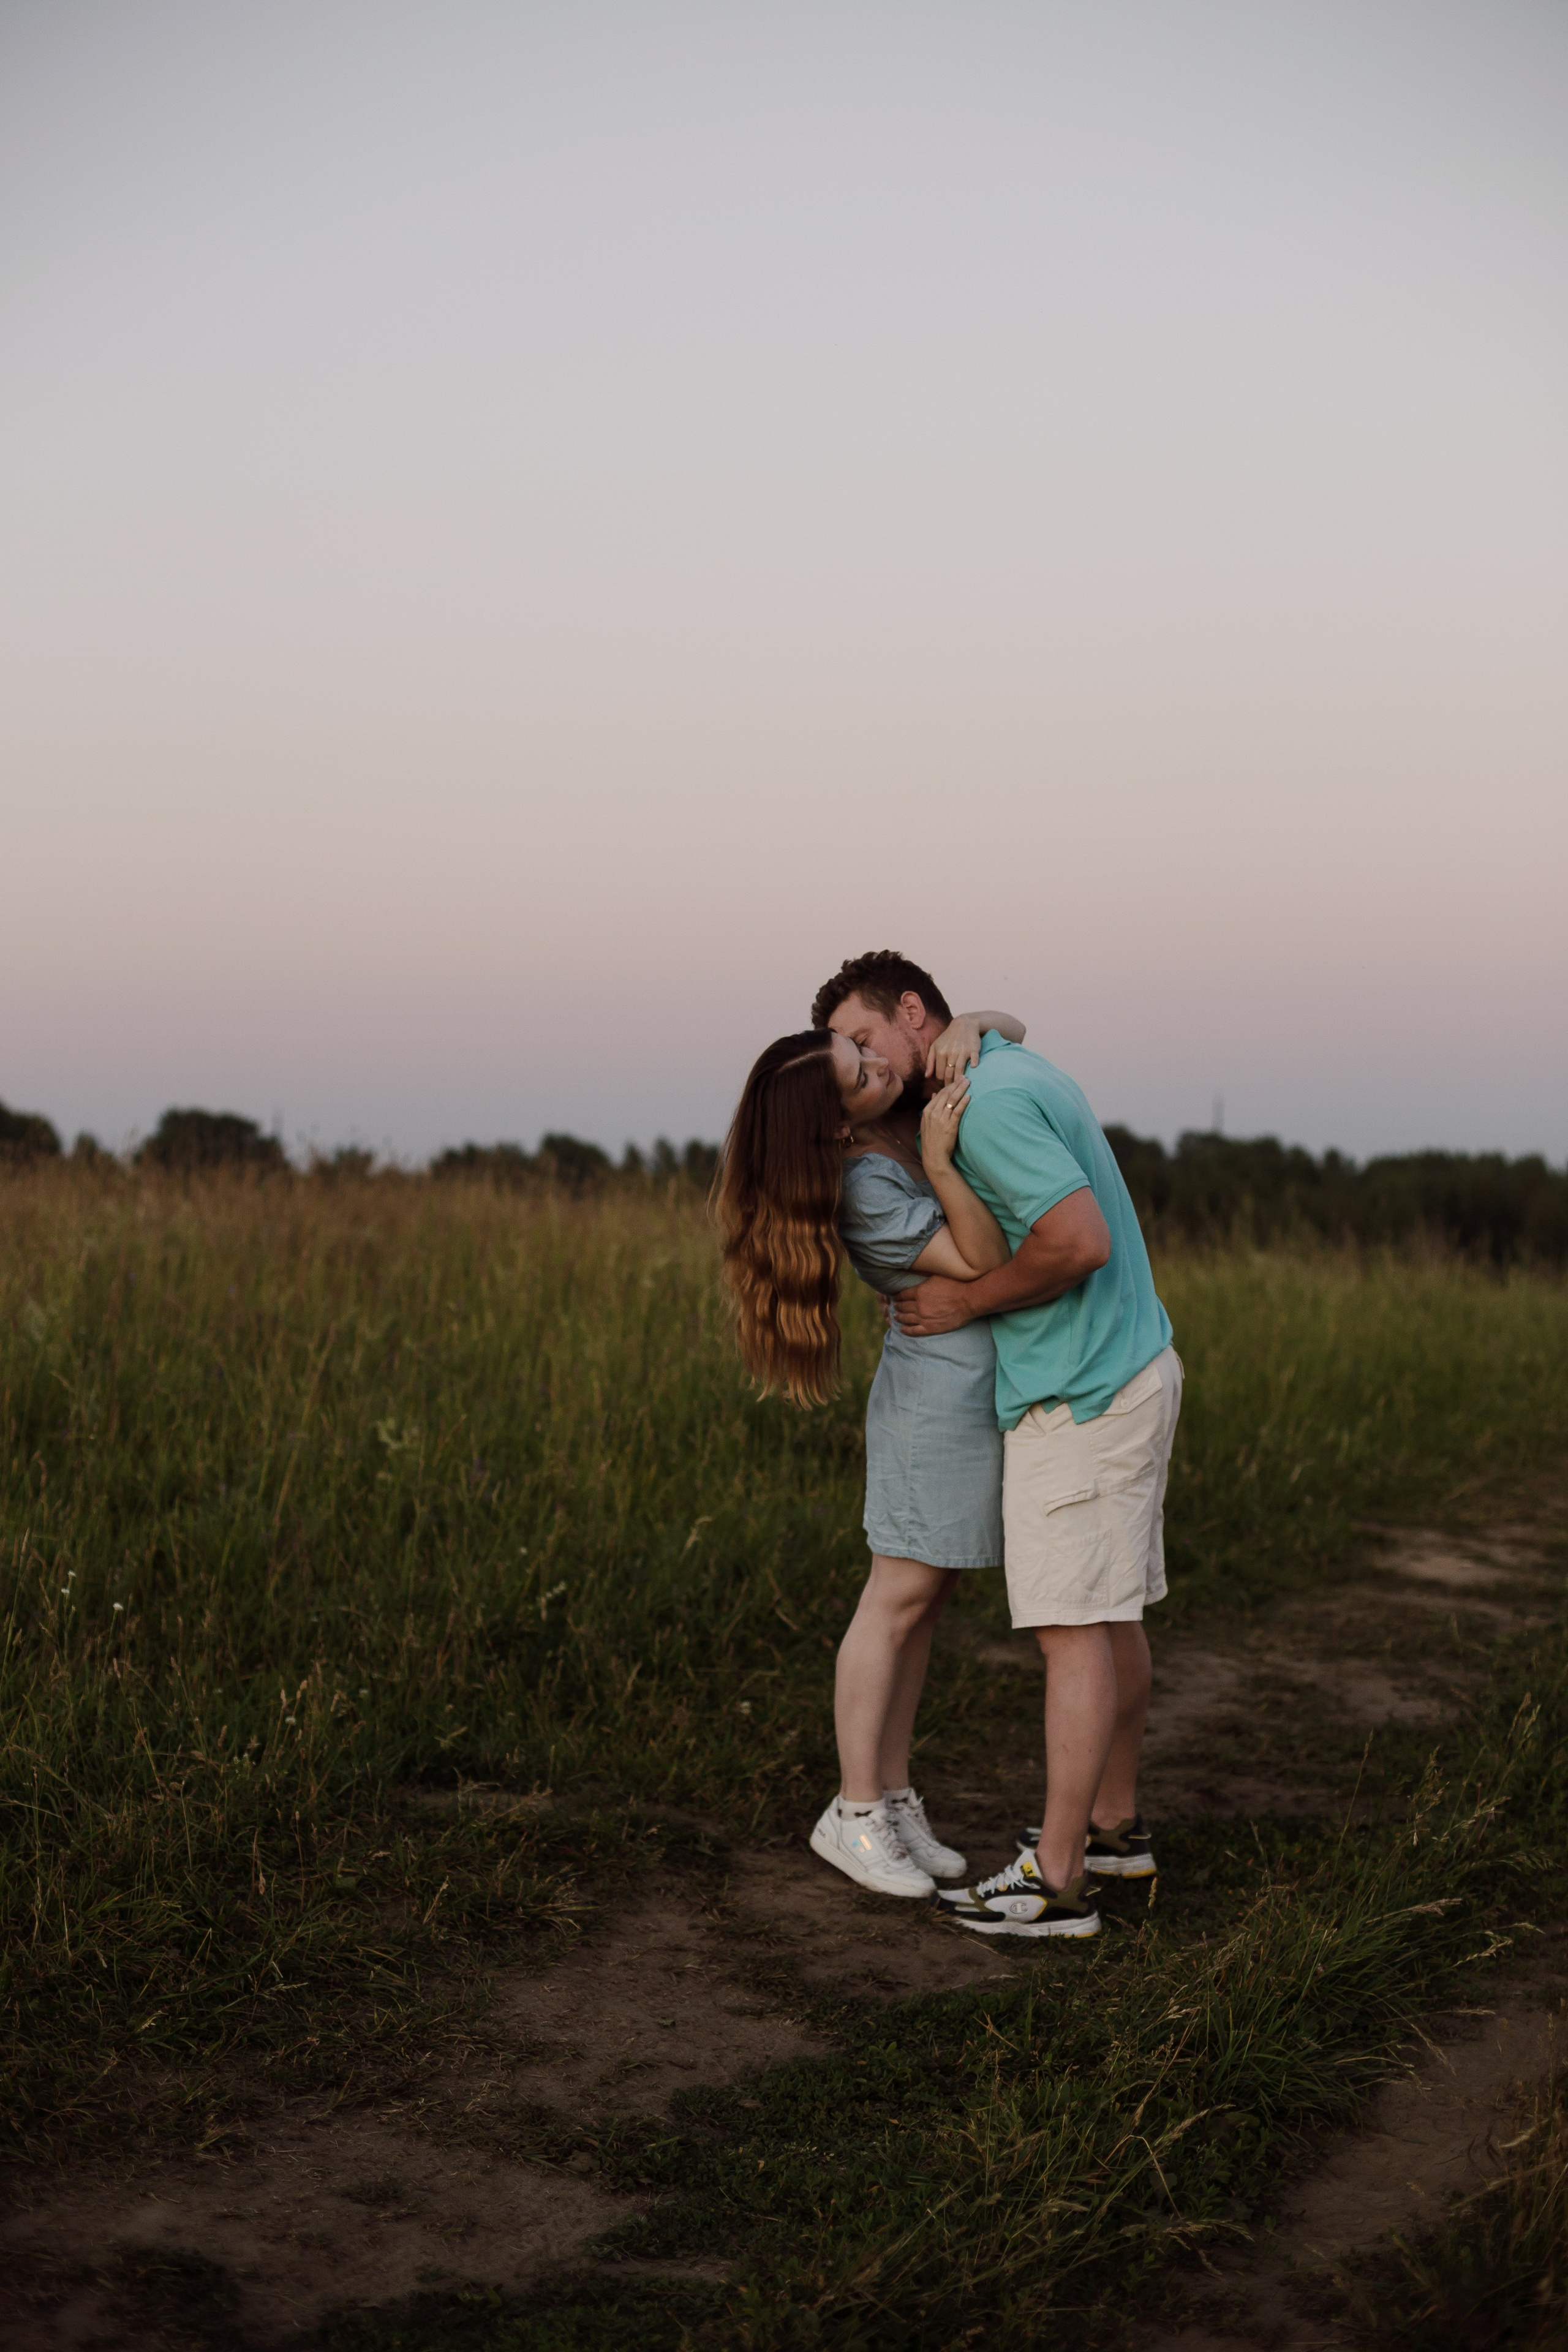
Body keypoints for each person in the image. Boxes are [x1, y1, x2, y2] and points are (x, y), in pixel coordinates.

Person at [815, 951, 1179, 1942]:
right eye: (848, 1058)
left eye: (864, 1038)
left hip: (1083, 1382)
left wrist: (971, 1300)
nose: (866, 1060)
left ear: (915, 1015)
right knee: (1101, 1616)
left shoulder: (984, 1102)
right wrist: (979, 1027)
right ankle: (1107, 1829)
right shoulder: (995, 1075)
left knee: (1075, 1625)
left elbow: (1077, 1244)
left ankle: (1058, 1877)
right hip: (1118, 1367)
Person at [714, 998, 1025, 1899]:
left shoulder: (876, 1143)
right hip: (931, 1405)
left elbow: (1011, 1023)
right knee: (896, 1598)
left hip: (959, 1396)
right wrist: (936, 1158)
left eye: (860, 1049)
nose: (879, 1067)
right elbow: (982, 1253)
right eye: (860, 1075)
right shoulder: (866, 1183)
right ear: (834, 1121)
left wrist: (972, 1018)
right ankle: (852, 1813)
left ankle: (892, 1794)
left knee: (925, 1599)